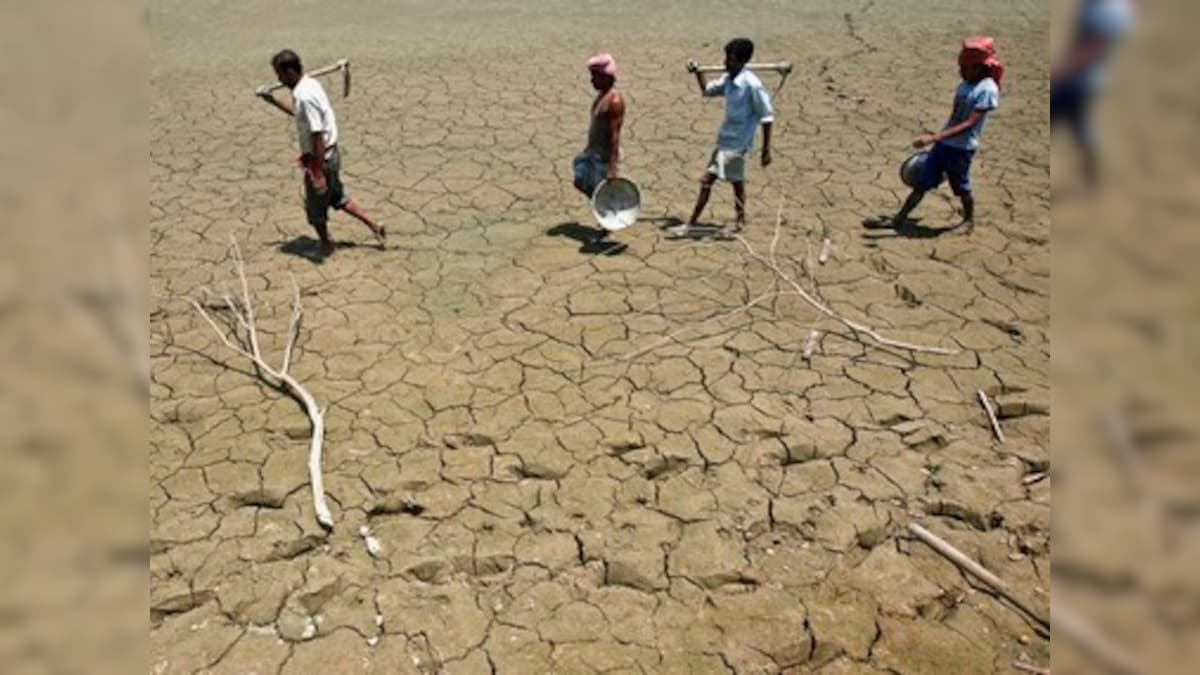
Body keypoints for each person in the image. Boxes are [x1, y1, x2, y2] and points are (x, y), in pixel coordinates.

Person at [256, 49, 385, 258]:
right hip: (330, 154)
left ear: (289, 72)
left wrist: (316, 172)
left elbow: (317, 133)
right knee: (338, 198)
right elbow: (300, 116)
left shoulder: (305, 96)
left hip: (321, 158)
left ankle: (325, 246)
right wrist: (272, 100)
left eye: (279, 75)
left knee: (315, 209)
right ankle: (374, 225)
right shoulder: (310, 85)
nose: (278, 79)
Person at [870, 37, 1002, 235]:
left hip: (961, 149)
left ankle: (968, 221)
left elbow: (970, 123)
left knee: (961, 187)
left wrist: (936, 137)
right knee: (921, 183)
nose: (961, 72)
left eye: (966, 68)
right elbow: (956, 117)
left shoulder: (987, 89)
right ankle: (898, 219)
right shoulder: (965, 85)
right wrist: (938, 135)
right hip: (944, 144)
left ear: (980, 67)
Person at [670, 38, 774, 239]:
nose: (726, 62)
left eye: (731, 58)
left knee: (707, 180)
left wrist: (766, 150)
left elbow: (767, 116)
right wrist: (698, 72)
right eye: (726, 57)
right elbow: (707, 91)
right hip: (725, 140)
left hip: (738, 144)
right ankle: (740, 220)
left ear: (742, 60)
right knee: (737, 183)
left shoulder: (751, 85)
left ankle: (692, 223)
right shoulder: (728, 79)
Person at [1051, 0, 1137, 190]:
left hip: (1081, 81)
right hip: (1079, 80)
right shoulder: (1099, 6)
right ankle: (1093, 176)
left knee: (1078, 127)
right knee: (1078, 127)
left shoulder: (1109, 11)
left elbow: (1093, 47)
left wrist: (1062, 73)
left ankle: (1093, 177)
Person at [572, 53, 625, 202]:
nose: (592, 81)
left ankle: (609, 217)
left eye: (595, 76)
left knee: (603, 194)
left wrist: (613, 168)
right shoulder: (602, 95)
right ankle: (601, 205)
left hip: (603, 158)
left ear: (607, 77)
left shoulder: (614, 102)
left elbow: (615, 135)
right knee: (580, 178)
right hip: (593, 153)